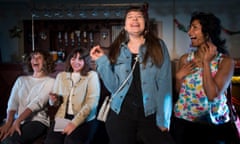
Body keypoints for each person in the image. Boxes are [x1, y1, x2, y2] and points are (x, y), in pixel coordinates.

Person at [90, 4, 175, 144]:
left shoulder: (158, 46)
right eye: (130, 17)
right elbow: (114, 87)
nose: (134, 20)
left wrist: (164, 119)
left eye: (139, 17)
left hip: (150, 113)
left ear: (145, 25)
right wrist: (101, 61)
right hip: (121, 113)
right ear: (125, 26)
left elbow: (165, 84)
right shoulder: (117, 49)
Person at [170, 12, 236, 144]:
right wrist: (178, 78)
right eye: (190, 27)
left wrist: (206, 63)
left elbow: (213, 95)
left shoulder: (225, 62)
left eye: (194, 28)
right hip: (184, 124)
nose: (189, 32)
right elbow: (181, 93)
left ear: (208, 32)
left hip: (213, 126)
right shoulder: (185, 59)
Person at [44, 48, 100, 144]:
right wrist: (53, 100)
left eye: (80, 59)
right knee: (51, 141)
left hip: (84, 120)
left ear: (86, 61)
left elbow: (91, 104)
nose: (76, 62)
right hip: (62, 118)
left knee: (71, 141)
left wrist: (74, 123)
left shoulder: (92, 76)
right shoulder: (61, 76)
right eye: (73, 58)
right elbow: (54, 103)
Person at [0, 49, 55, 144]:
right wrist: (9, 122)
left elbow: (36, 103)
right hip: (14, 119)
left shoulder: (51, 81)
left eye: (39, 57)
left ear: (45, 62)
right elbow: (13, 102)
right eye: (33, 57)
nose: (35, 60)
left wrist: (17, 121)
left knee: (9, 141)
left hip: (37, 121)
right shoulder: (21, 80)